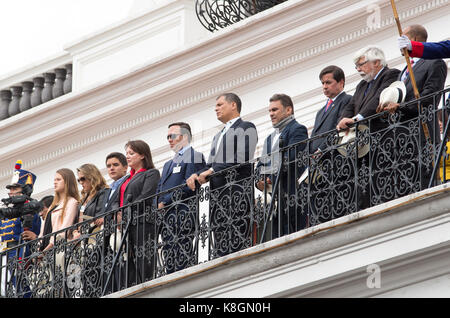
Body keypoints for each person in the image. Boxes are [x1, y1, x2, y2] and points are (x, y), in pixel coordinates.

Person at [186, 92, 258, 258]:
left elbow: (242, 157)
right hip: (218, 196)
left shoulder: (246, 127)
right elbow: (210, 164)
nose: (215, 109)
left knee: (237, 239)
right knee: (220, 242)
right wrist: (196, 174)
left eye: (219, 105)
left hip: (236, 192)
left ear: (233, 105)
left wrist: (211, 172)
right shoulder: (218, 136)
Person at [255, 94, 308, 241]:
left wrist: (269, 177)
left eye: (275, 110)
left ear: (289, 109)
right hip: (275, 201)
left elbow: (291, 158)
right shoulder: (269, 138)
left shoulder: (298, 129)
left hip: (292, 196)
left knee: (295, 239)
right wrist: (260, 180)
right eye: (270, 111)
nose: (271, 114)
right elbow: (260, 165)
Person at [156, 122, 206, 274]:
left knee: (182, 251)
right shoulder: (167, 165)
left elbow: (189, 185)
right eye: (167, 137)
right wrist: (157, 203)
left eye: (172, 136)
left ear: (184, 137)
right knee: (168, 252)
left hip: (182, 212)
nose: (169, 140)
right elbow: (159, 188)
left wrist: (165, 201)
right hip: (166, 216)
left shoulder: (195, 156)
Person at [111, 140, 160, 288]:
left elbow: (146, 196)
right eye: (127, 153)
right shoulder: (126, 178)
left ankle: (145, 285)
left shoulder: (151, 173)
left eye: (131, 153)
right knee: (128, 260)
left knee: (143, 257)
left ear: (143, 156)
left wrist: (124, 213)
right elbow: (115, 200)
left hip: (141, 222)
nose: (128, 156)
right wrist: (117, 213)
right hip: (126, 224)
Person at [0, 160, 41, 298]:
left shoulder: (30, 209)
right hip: (4, 254)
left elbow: (30, 232)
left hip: (18, 253)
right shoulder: (9, 212)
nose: (10, 192)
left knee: (21, 288)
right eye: (10, 189)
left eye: (14, 189)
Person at [337, 46, 401, 133]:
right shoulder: (362, 84)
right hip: (364, 138)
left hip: (382, 133)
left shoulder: (390, 74)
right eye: (356, 66)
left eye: (361, 65)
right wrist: (342, 122)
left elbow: (379, 99)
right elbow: (350, 106)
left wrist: (357, 119)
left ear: (376, 62)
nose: (358, 69)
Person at [310, 66, 352, 154]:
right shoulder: (320, 112)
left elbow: (339, 128)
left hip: (333, 155)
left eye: (328, 82)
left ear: (341, 82)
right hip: (317, 160)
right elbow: (314, 135)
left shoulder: (346, 99)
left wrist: (321, 149)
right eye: (323, 83)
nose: (325, 87)